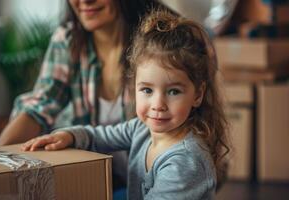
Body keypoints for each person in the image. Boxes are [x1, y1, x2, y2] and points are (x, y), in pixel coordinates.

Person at [21, 9, 230, 200]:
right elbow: (98, 137)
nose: (158, 105)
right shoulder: (141, 129)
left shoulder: (185, 163)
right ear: (134, 88)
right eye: (147, 90)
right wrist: (68, 136)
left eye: (173, 91)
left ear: (198, 94)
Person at [0, 0, 160, 194]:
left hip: (155, 186)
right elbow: (39, 106)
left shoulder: (162, 39)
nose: (84, 1)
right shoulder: (68, 39)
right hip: (103, 183)